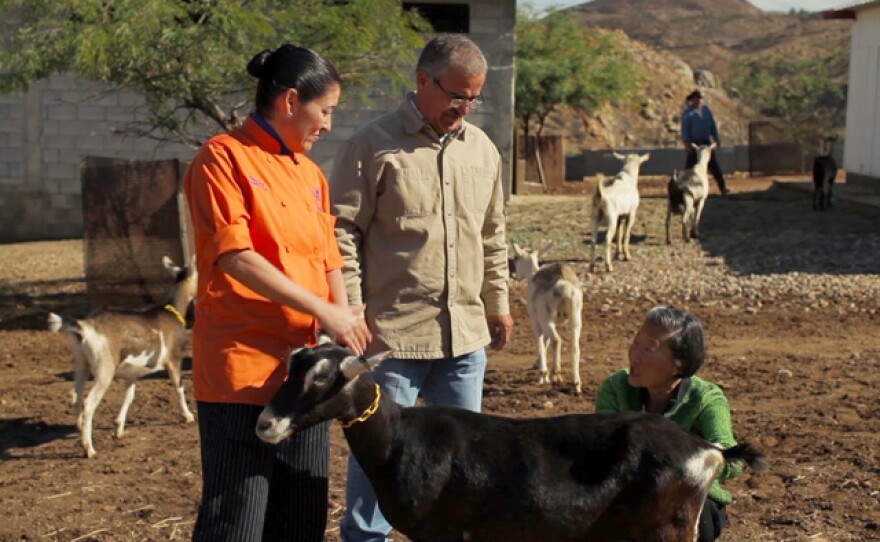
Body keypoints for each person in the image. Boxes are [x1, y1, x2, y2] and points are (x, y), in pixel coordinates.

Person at [330, 34, 514, 542]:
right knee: (378, 463)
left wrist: (497, 304)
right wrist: (351, 310)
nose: (466, 107)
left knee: (463, 467)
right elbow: (341, 232)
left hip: (464, 339)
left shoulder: (483, 150)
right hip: (391, 339)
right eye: (457, 95)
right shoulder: (371, 145)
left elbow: (493, 233)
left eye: (474, 98)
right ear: (422, 82)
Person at [184, 43, 371, 541]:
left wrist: (345, 321)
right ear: (291, 101)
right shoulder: (221, 159)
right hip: (241, 369)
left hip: (305, 372)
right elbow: (236, 258)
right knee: (237, 517)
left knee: (301, 515)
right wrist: (326, 313)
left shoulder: (310, 174)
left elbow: (327, 256)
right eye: (325, 111)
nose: (328, 125)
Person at [595, 305, 746, 542]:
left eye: (648, 348)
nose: (635, 355)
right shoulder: (615, 389)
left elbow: (734, 461)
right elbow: (602, 450)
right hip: (627, 495)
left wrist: (699, 457)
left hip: (686, 498)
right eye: (635, 343)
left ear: (679, 364)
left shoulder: (706, 399)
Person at [681, 90, 729, 195]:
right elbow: (685, 130)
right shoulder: (687, 113)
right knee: (690, 166)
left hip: (706, 143)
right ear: (693, 99)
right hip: (694, 144)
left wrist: (716, 138)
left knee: (714, 165)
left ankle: (723, 187)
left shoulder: (706, 111)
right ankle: (685, 188)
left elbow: (712, 125)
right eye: (698, 98)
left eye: (701, 98)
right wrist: (687, 144)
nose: (700, 100)